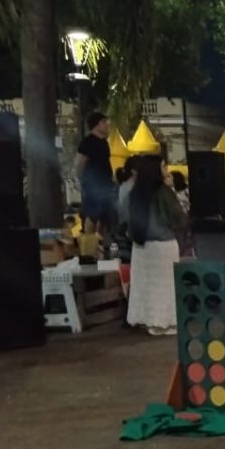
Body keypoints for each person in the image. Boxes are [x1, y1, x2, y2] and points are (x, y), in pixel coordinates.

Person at [120, 155, 185, 335]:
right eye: (163, 167)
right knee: (166, 286)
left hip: (140, 247)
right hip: (164, 245)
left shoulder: (134, 192)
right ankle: (165, 323)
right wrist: (173, 190)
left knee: (146, 286)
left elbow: (123, 218)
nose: (166, 171)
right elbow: (178, 218)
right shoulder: (164, 192)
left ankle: (149, 321)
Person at [75, 111, 117, 262]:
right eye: (104, 122)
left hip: (106, 184)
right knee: (91, 217)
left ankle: (103, 250)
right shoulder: (88, 142)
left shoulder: (104, 142)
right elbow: (80, 163)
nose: (107, 125)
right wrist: (84, 180)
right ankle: (88, 252)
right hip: (93, 185)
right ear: (97, 124)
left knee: (105, 217)